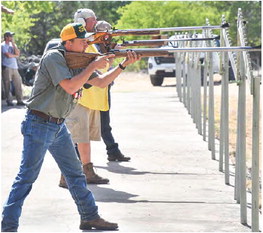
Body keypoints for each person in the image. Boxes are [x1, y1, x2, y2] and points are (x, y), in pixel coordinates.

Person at [1, 22, 140, 232]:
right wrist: (93, 65)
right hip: (39, 123)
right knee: (27, 177)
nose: (86, 45)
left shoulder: (79, 60)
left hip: (57, 125)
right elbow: (71, 86)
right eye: (82, 41)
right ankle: (8, 225)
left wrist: (122, 66)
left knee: (75, 173)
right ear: (68, 42)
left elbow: (101, 83)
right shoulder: (54, 57)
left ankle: (89, 216)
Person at [95, 20, 131, 162]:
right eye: (105, 34)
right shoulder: (94, 47)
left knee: (104, 123)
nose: (107, 37)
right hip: (93, 88)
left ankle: (112, 150)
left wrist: (115, 50)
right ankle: (79, 157)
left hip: (103, 87)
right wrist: (113, 54)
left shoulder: (105, 46)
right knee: (85, 125)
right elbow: (102, 66)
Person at [1, 31, 25, 106]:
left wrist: (14, 44)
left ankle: (19, 100)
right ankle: (9, 100)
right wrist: (15, 55)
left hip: (15, 67)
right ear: (6, 37)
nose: (12, 37)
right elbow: (8, 55)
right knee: (7, 84)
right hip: (7, 66)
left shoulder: (12, 44)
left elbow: (18, 53)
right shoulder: (3, 45)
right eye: (10, 36)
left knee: (18, 83)